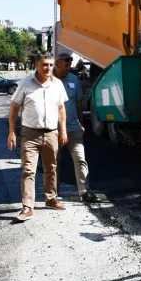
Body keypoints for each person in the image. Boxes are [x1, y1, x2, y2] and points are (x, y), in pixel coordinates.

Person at [7, 52, 69, 221]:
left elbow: (61, 109)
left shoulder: (57, 84)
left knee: (51, 168)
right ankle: (27, 207)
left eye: (50, 64)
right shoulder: (25, 83)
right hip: (30, 134)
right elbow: (14, 109)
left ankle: (51, 199)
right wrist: (12, 132)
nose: (48, 68)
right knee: (28, 170)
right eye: (45, 64)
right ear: (36, 65)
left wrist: (62, 130)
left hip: (51, 133)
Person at [53, 51, 94, 203]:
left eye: (70, 64)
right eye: (66, 64)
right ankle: (53, 195)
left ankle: (84, 192)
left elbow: (78, 103)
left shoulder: (74, 79)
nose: (69, 67)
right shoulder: (47, 80)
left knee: (80, 159)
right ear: (56, 64)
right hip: (54, 130)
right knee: (55, 162)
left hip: (73, 128)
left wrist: (81, 124)